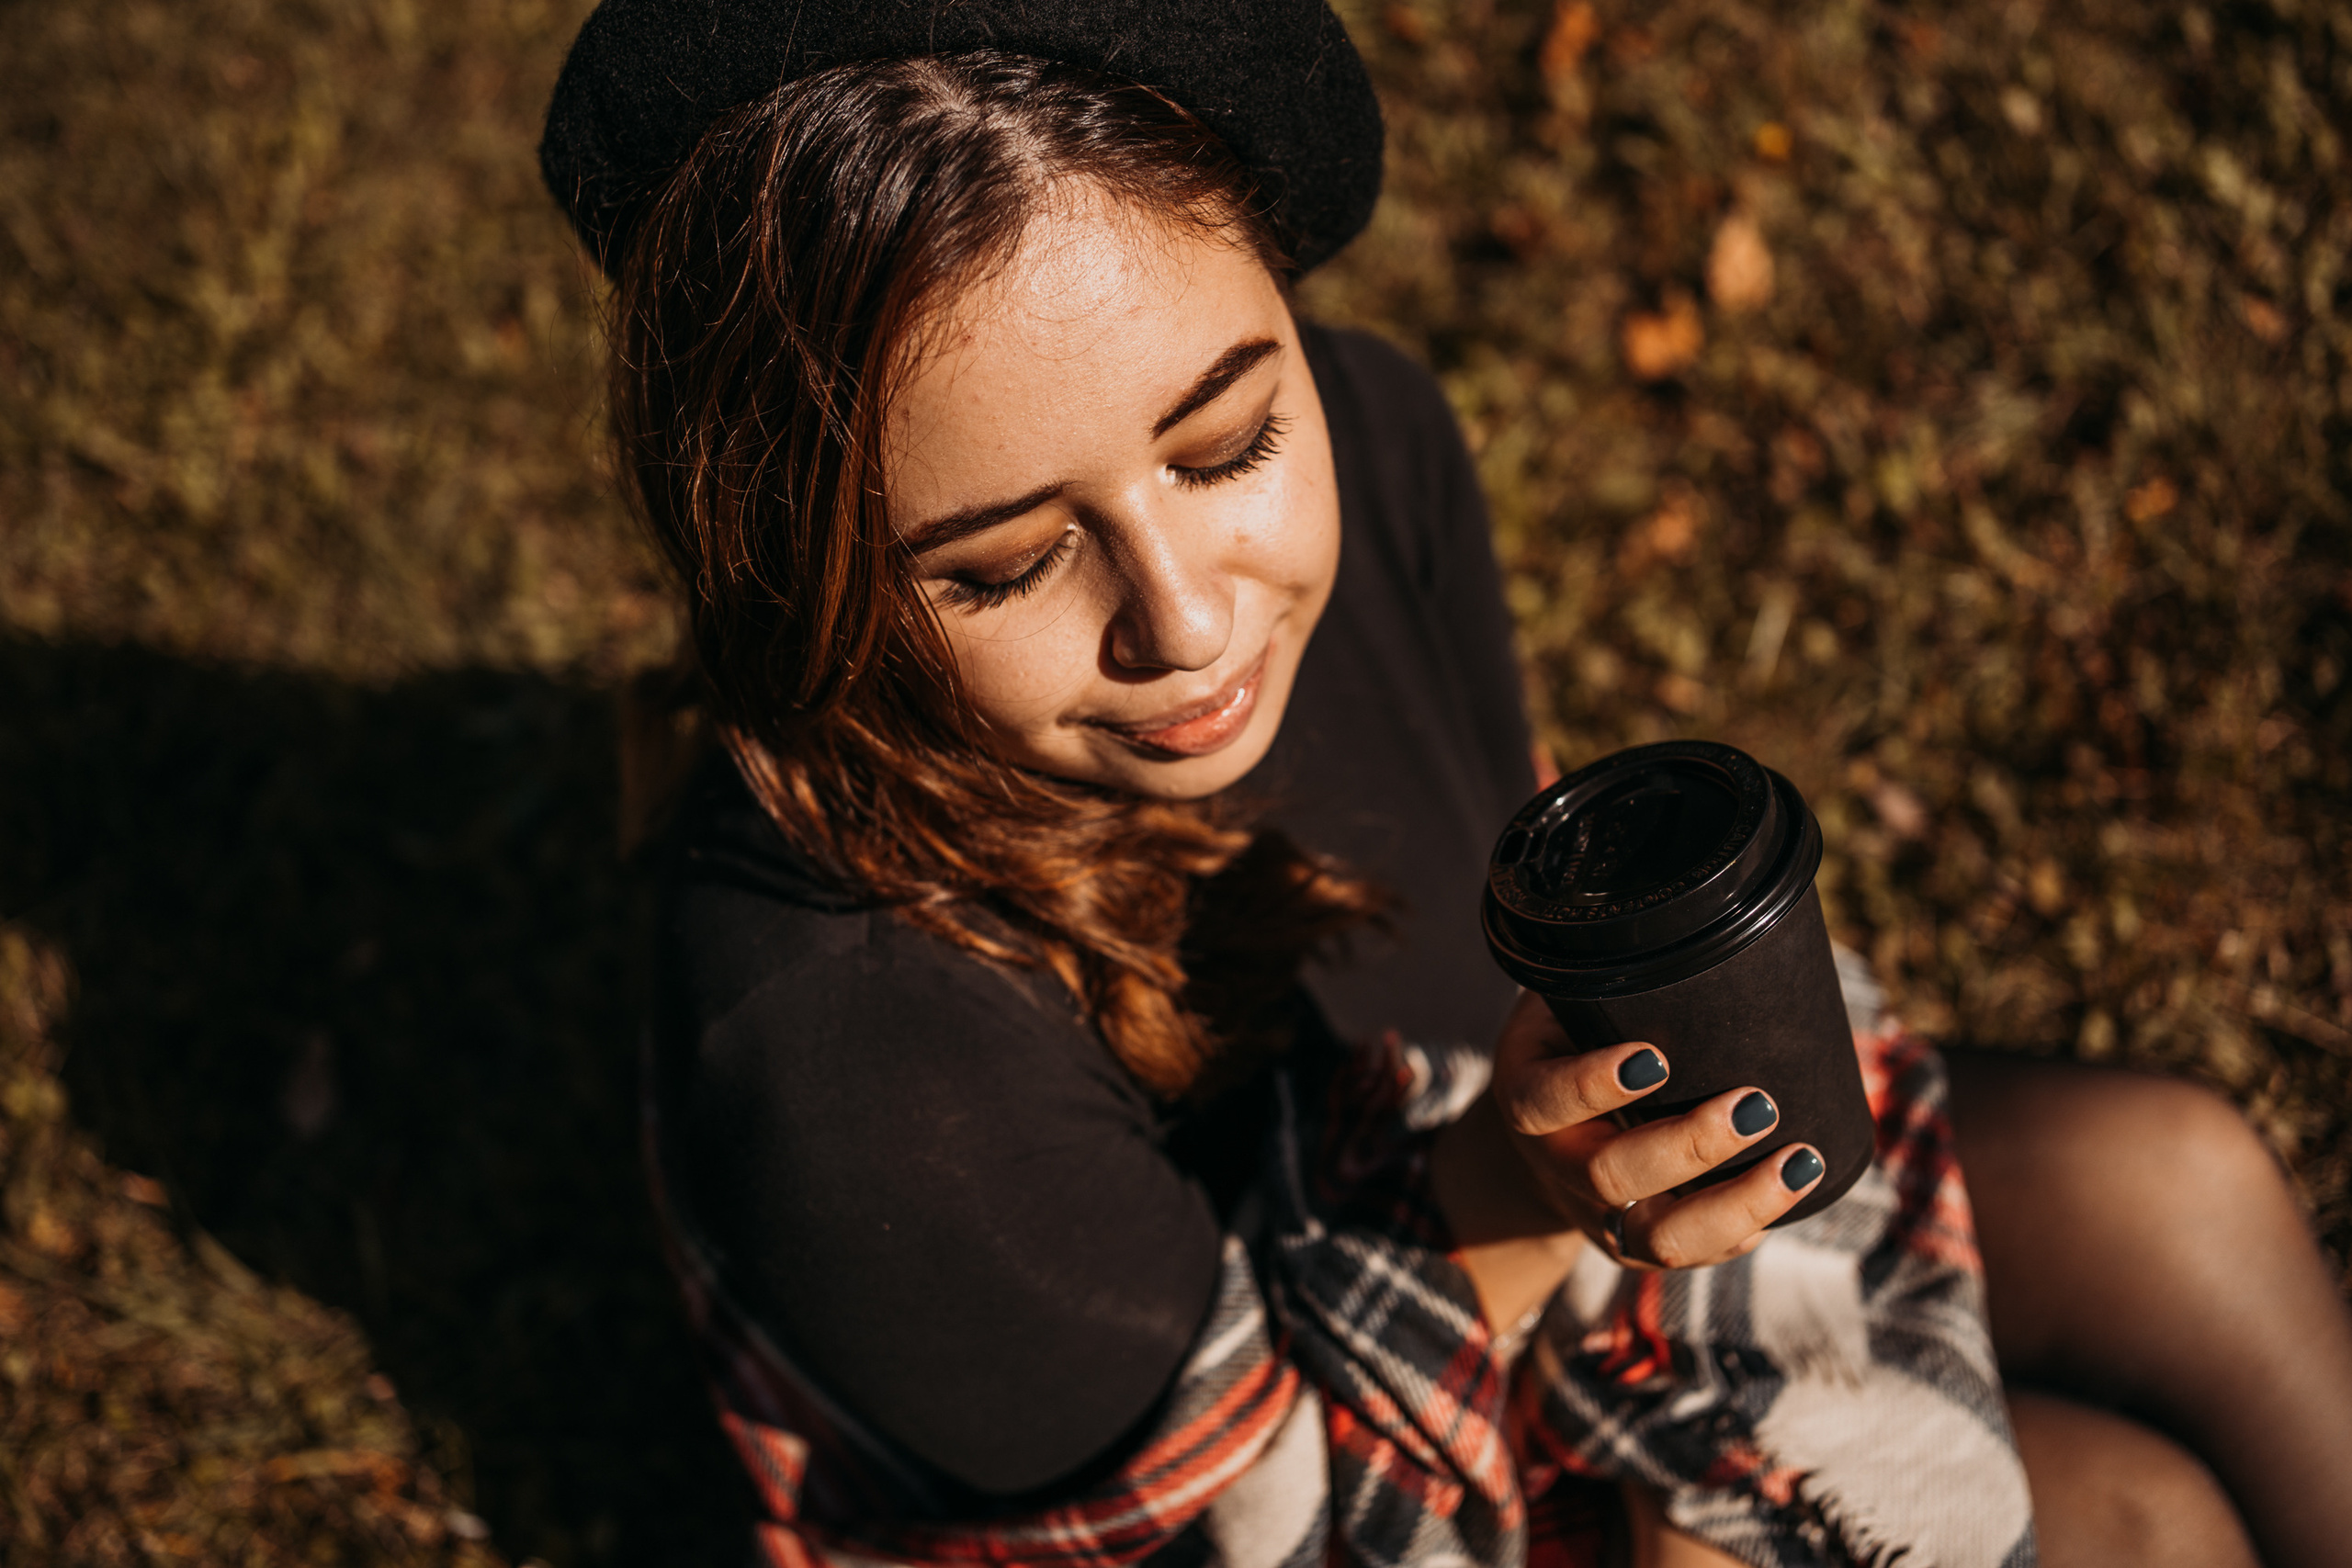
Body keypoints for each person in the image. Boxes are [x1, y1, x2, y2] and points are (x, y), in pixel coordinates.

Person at [539, 5, 2352, 1564]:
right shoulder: (845, 1065)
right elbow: (1271, 1515)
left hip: (1510, 1206)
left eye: (1229, 438)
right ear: (807, 572)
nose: (1184, 622)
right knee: (2136, 1519)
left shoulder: (1384, 439)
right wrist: (1521, 1197)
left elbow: (1491, 900)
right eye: (1005, 565)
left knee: (2170, 1179)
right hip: (1285, 1479)